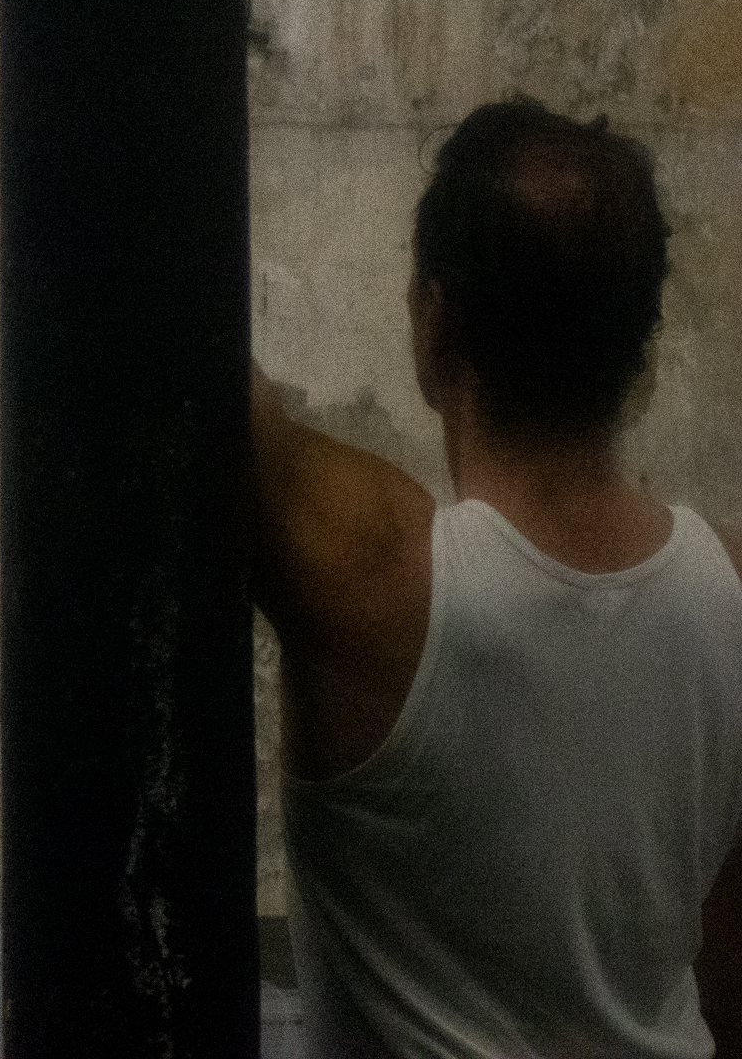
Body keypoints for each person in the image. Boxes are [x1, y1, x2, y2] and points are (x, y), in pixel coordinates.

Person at [251, 97, 742, 1055]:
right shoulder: (733, 593)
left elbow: (159, 323)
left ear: (434, 322)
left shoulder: (378, 574)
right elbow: (728, 974)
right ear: (639, 343)